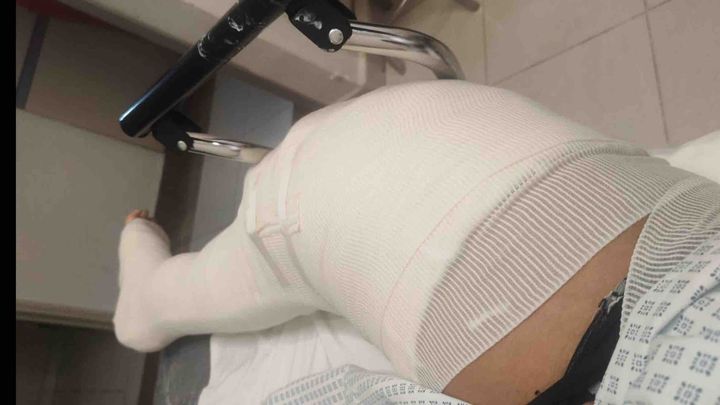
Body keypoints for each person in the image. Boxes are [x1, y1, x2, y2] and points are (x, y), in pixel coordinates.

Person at [114, 81, 719, 404]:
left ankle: (148, 291)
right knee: (175, 297)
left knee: (291, 205)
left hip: (479, 181)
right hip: (417, 195)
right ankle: (151, 294)